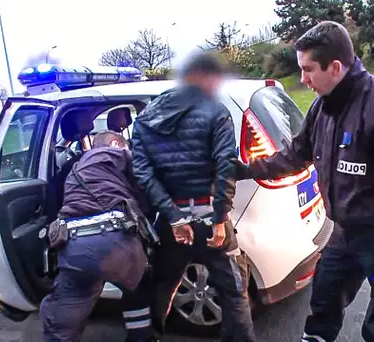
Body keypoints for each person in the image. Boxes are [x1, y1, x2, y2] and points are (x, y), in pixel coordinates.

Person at [232, 21, 374, 342]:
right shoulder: (322, 108)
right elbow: (295, 155)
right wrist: (245, 169)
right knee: (322, 308)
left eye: (308, 69)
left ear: (335, 67)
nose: (302, 79)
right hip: (342, 233)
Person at [131, 50, 256, 342]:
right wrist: (220, 216)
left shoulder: (144, 121)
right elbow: (225, 165)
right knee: (234, 291)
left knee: (163, 283)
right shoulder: (215, 112)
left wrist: (174, 218)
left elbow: (144, 175)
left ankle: (151, 337)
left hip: (173, 223)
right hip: (210, 217)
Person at [41, 130, 158, 342]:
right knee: (138, 286)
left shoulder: (73, 168)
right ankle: (140, 337)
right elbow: (146, 180)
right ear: (115, 143)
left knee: (63, 319)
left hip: (77, 248)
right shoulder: (115, 154)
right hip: (119, 243)